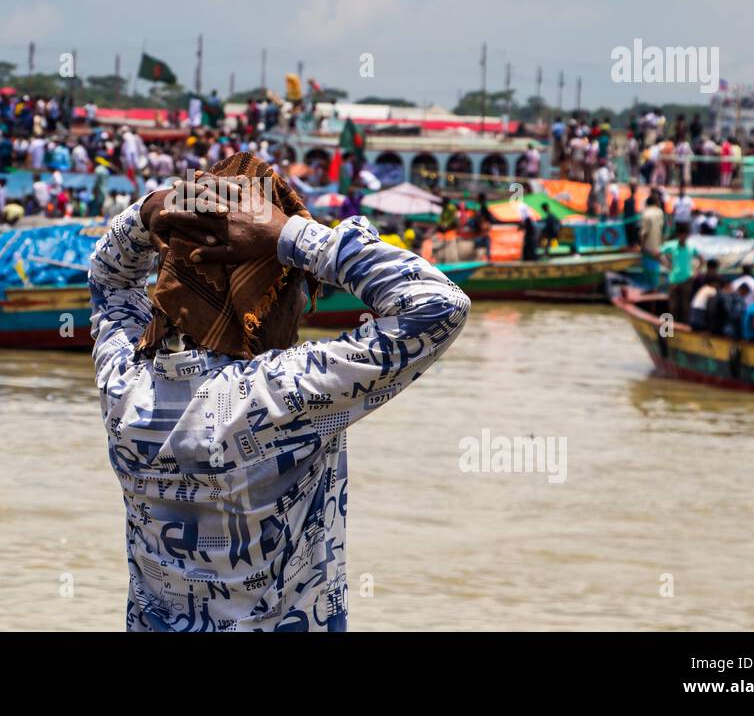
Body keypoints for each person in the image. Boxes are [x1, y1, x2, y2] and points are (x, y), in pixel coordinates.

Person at [87, 154, 471, 631]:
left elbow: (110, 280)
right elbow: (439, 305)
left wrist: (149, 211)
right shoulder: (287, 393)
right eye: (295, 288)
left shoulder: (125, 384)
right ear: (266, 300)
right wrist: (293, 237)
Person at [639, 190, 665, 289]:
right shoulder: (660, 212)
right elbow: (662, 229)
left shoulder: (646, 214)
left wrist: (642, 246)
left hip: (648, 248)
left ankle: (649, 290)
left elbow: (644, 233)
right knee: (655, 272)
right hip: (658, 247)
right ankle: (655, 288)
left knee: (648, 273)